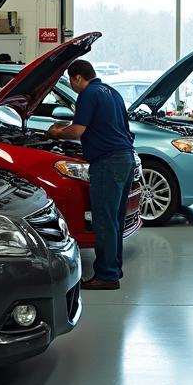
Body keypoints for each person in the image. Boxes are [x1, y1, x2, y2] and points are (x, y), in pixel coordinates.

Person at [48, 59, 136, 290]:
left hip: (107, 162)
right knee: (115, 219)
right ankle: (114, 269)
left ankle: (106, 276)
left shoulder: (87, 94)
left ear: (78, 77)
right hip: (126, 158)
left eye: (71, 80)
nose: (72, 84)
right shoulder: (112, 92)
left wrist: (57, 133)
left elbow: (78, 130)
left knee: (104, 220)